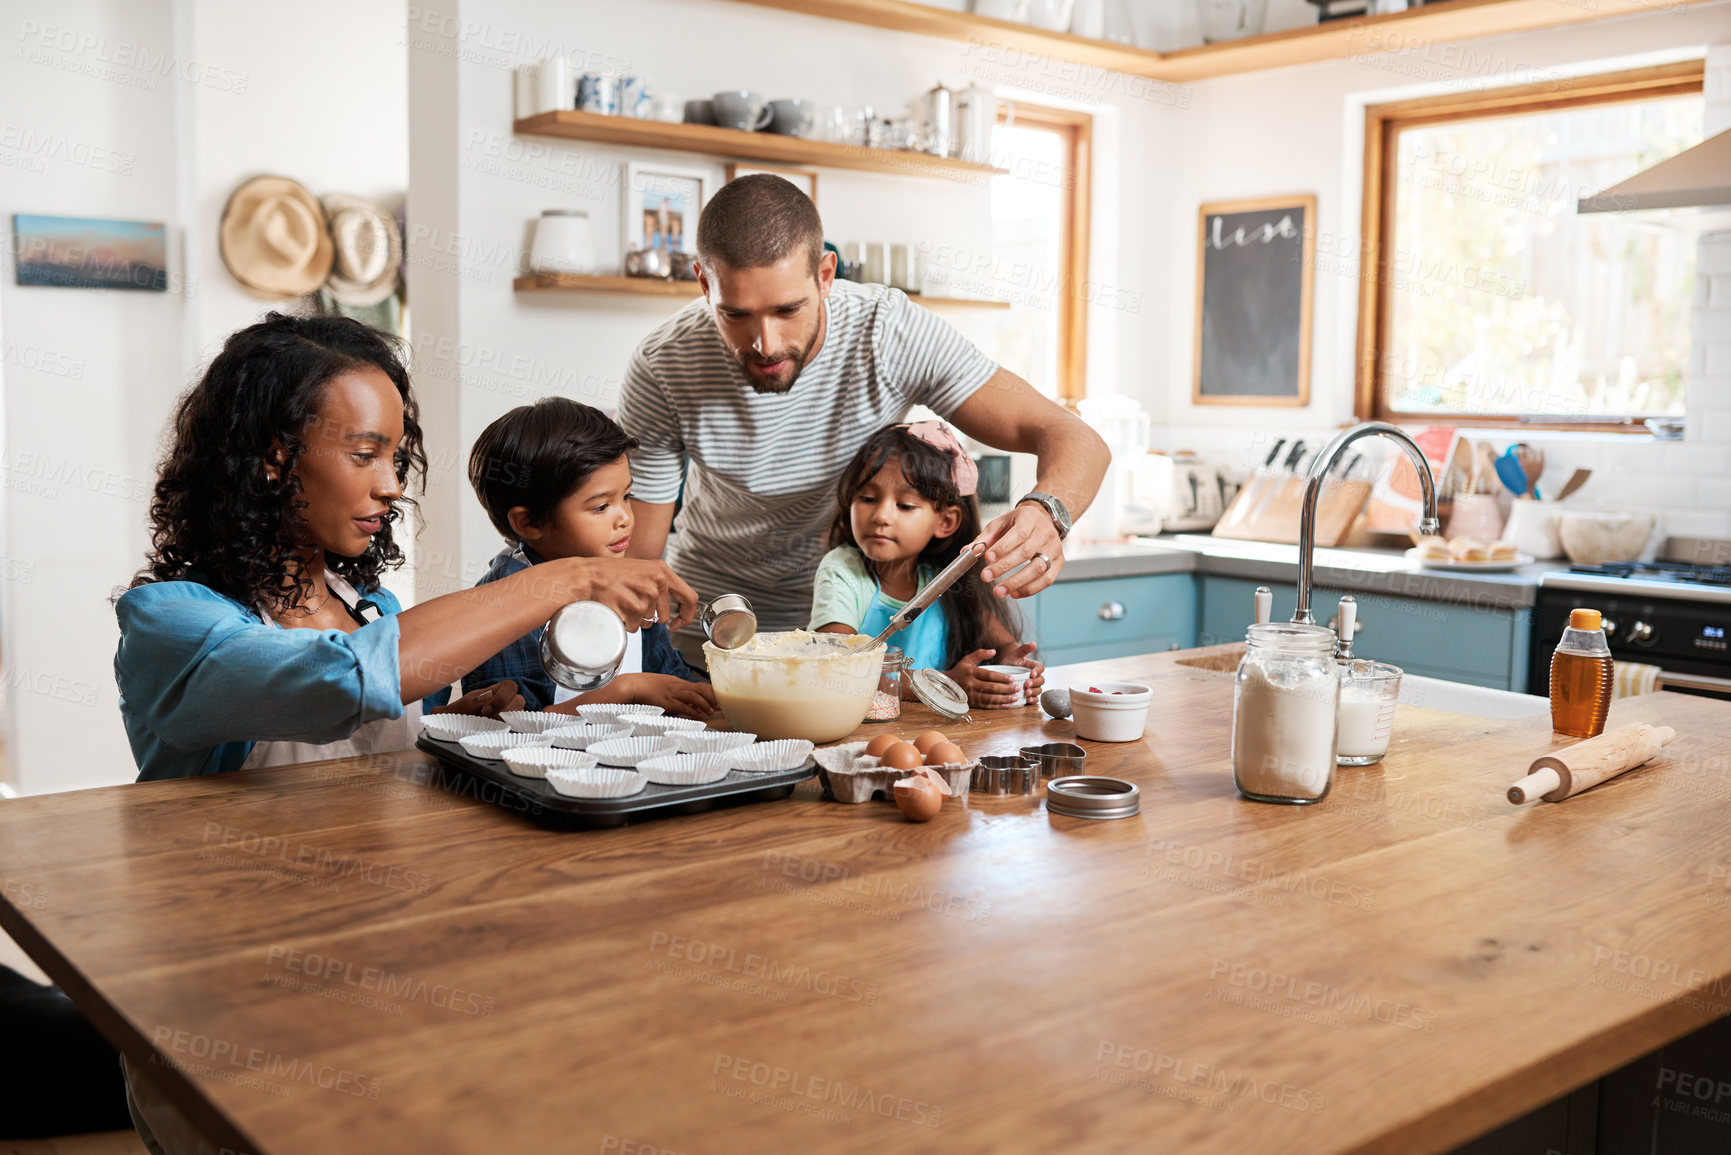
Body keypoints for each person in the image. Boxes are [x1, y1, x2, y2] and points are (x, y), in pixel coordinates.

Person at [113, 313, 698, 784]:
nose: (392, 486)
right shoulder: (171, 627)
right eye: (365, 455)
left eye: (395, 457)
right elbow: (341, 678)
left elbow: (373, 755)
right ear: (274, 459)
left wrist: (449, 723)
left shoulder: (375, 609)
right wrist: (570, 578)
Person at [617, 173, 1110, 667]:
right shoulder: (664, 364)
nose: (765, 343)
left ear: (826, 275)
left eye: (788, 309)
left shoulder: (889, 332)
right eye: (736, 314)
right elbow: (637, 558)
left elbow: (1074, 437)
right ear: (705, 284)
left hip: (860, 638)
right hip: (714, 637)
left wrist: (1049, 511)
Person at [457, 398, 716, 718]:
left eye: (627, 496)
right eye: (600, 507)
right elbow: (511, 724)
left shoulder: (630, 581)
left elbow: (670, 679)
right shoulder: (505, 600)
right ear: (529, 523)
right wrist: (626, 690)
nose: (624, 518)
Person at [811, 422, 1045, 709]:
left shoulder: (945, 579)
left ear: (946, 522)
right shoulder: (842, 572)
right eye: (868, 499)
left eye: (905, 505)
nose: (881, 516)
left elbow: (1005, 644)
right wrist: (944, 685)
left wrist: (1011, 663)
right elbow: (840, 664)